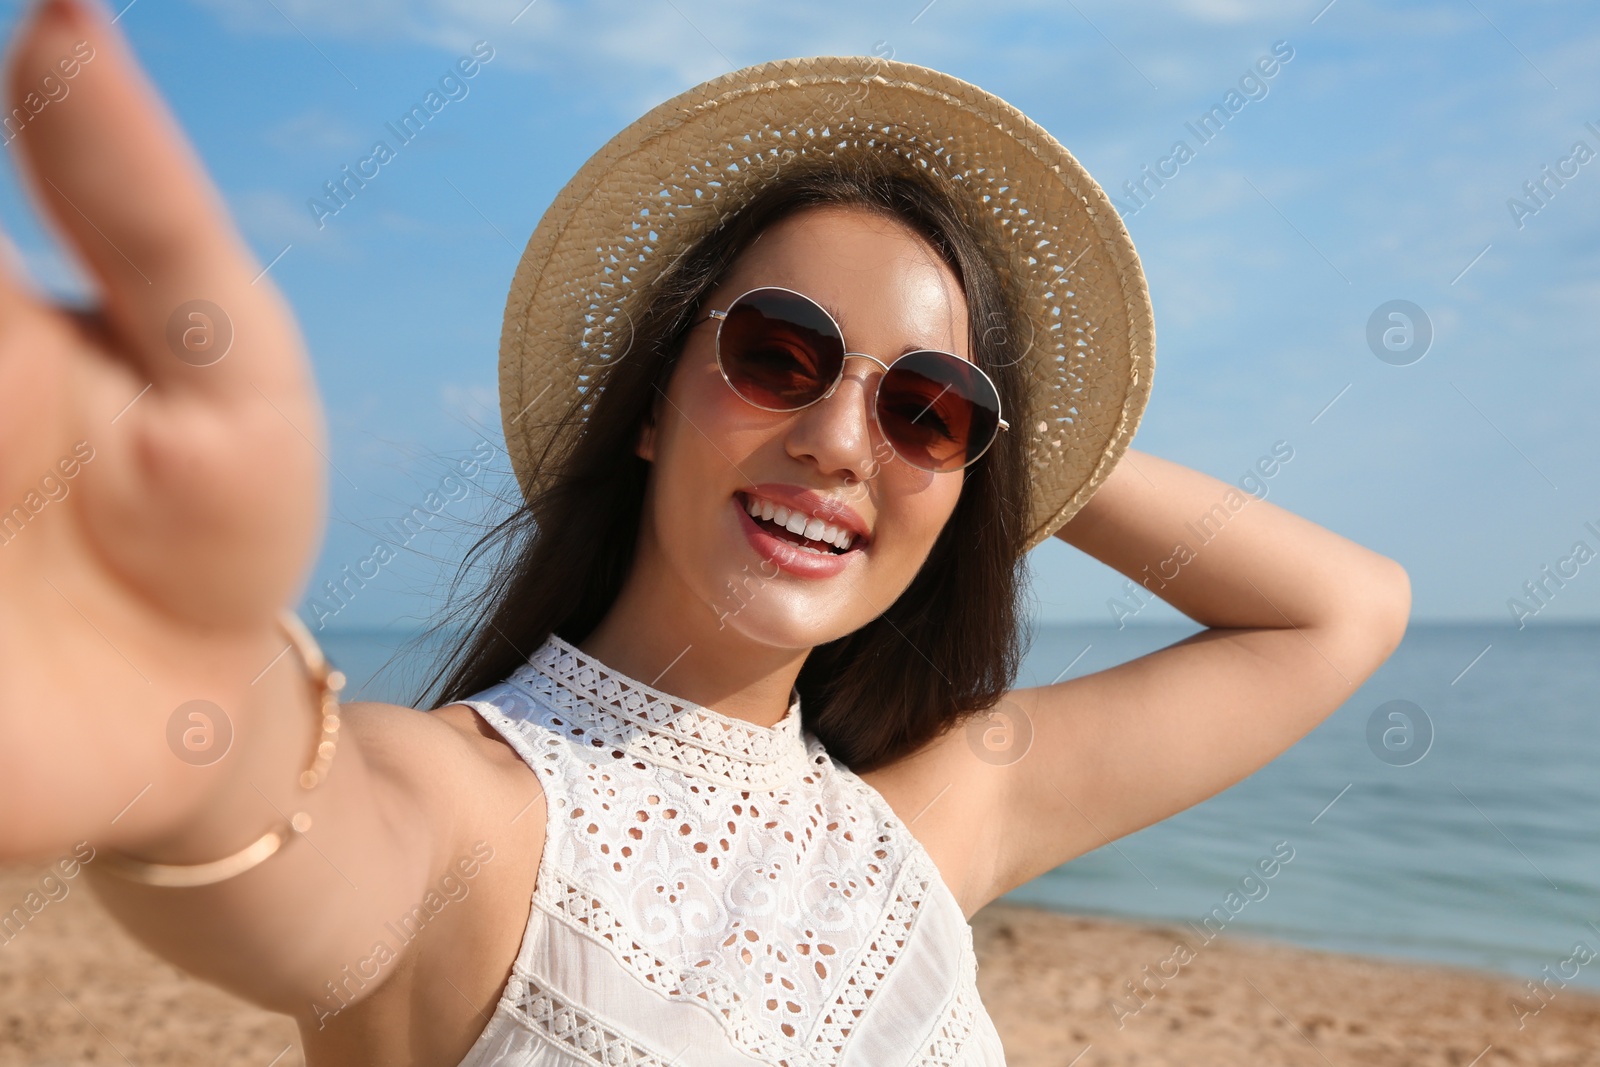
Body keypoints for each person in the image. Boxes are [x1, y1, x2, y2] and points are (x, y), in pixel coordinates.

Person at [0, 1, 1411, 1064]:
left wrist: (1007, 440)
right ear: (650, 406)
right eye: (781, 354)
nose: (842, 441)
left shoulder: (921, 829)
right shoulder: (471, 809)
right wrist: (201, 743)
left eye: (923, 408)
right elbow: (318, 855)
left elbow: (1343, 610)